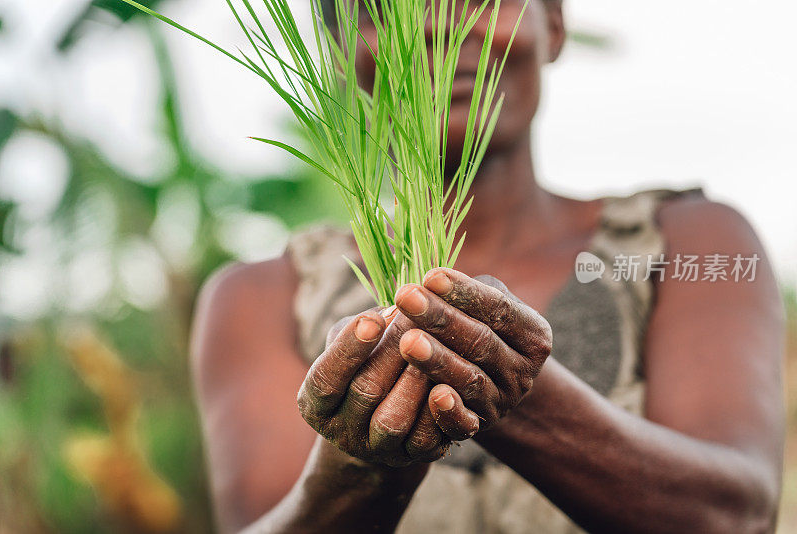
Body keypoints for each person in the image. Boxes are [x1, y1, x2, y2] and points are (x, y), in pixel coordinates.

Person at [190, 1, 785, 532]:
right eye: (385, 6)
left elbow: (739, 513)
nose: (436, 26)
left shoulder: (691, 246)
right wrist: (358, 470)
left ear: (552, 22)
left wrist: (516, 395)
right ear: (341, 53)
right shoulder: (260, 298)